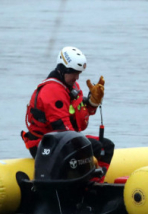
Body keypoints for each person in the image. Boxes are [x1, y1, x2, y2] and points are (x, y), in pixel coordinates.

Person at [21, 46, 114, 180]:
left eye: (79, 73)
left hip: (63, 140)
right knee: (95, 147)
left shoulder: (71, 86)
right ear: (63, 70)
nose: (77, 77)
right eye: (74, 73)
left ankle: (96, 183)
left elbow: (78, 115)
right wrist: (85, 151)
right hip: (45, 144)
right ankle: (87, 185)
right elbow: (62, 129)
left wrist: (92, 103)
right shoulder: (52, 91)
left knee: (107, 146)